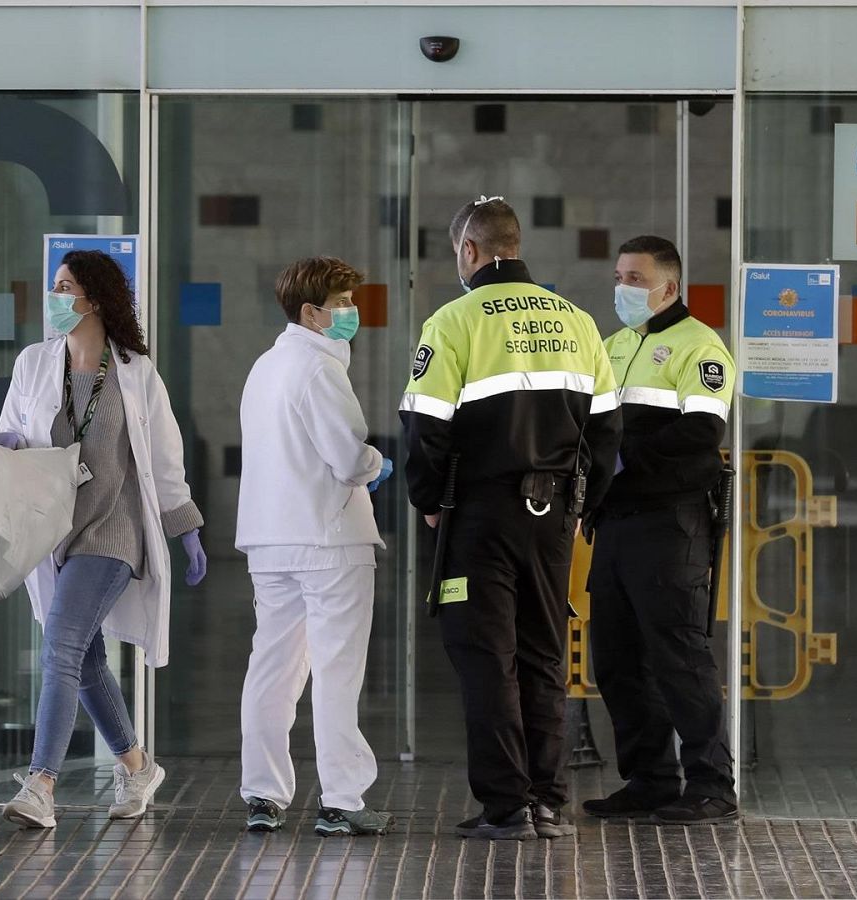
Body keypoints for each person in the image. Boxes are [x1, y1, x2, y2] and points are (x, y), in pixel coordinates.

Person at [400, 197, 621, 840]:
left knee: (485, 656)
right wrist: (582, 507)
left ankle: (505, 807)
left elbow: (425, 428)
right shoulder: (577, 321)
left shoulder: (454, 320)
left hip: (479, 516)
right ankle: (546, 801)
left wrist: (428, 502)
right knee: (544, 654)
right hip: (554, 518)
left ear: (470, 250)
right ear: (515, 245)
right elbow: (608, 430)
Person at [0, 249, 207, 829]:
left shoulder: (136, 371)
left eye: (66, 289)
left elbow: (164, 458)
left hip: (112, 529)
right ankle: (137, 766)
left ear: (97, 300)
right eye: (55, 287)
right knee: (84, 662)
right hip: (52, 532)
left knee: (60, 646)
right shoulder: (35, 362)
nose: (56, 298)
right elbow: (14, 432)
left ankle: (41, 785)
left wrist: (185, 526)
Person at [234, 257, 395, 837]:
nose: (351, 313)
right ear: (310, 312)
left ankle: (263, 794)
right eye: (342, 304)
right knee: (337, 670)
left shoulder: (265, 366)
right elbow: (348, 458)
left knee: (272, 666)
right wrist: (377, 464)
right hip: (328, 539)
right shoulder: (319, 368)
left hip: (269, 539)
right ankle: (342, 800)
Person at [582, 235, 739, 825]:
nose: (623, 288)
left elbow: (702, 431)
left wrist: (622, 460)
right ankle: (649, 781)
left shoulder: (701, 346)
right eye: (619, 277)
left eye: (635, 279)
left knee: (678, 655)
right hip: (616, 521)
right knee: (618, 659)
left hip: (670, 522)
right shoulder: (614, 344)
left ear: (668, 287)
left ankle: (712, 785)